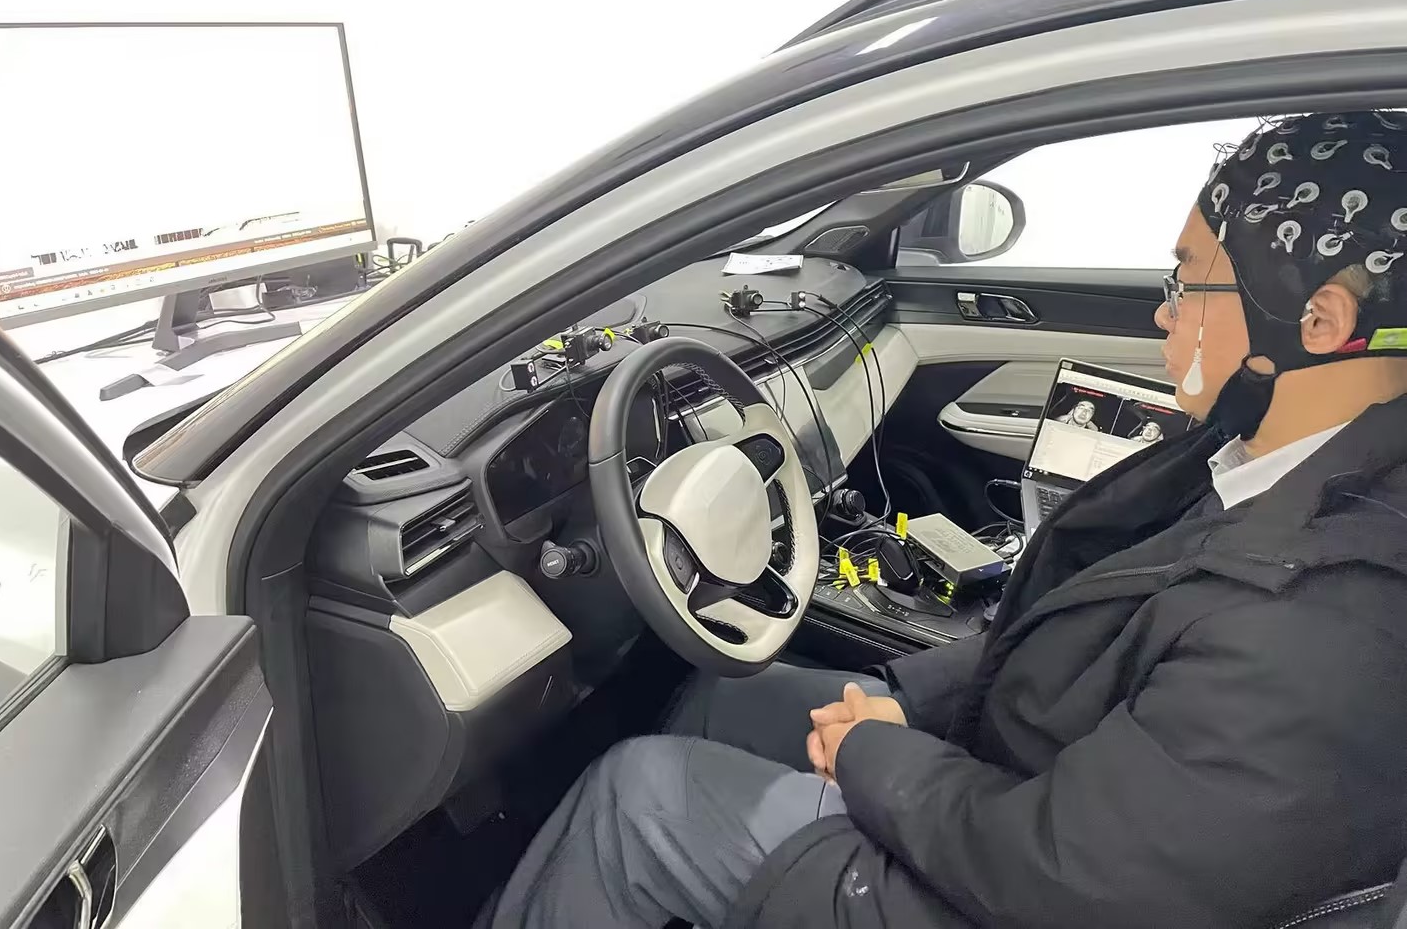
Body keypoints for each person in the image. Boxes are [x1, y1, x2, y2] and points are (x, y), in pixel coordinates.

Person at [486, 112, 1407, 929]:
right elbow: (1078, 630)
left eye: (1188, 278)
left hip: (1024, 885)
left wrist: (872, 758)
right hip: (1041, 791)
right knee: (724, 697)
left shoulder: (1326, 623)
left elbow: (1072, 883)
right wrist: (904, 701)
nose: (1164, 313)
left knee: (635, 800)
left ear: (1319, 321)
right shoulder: (1262, 460)